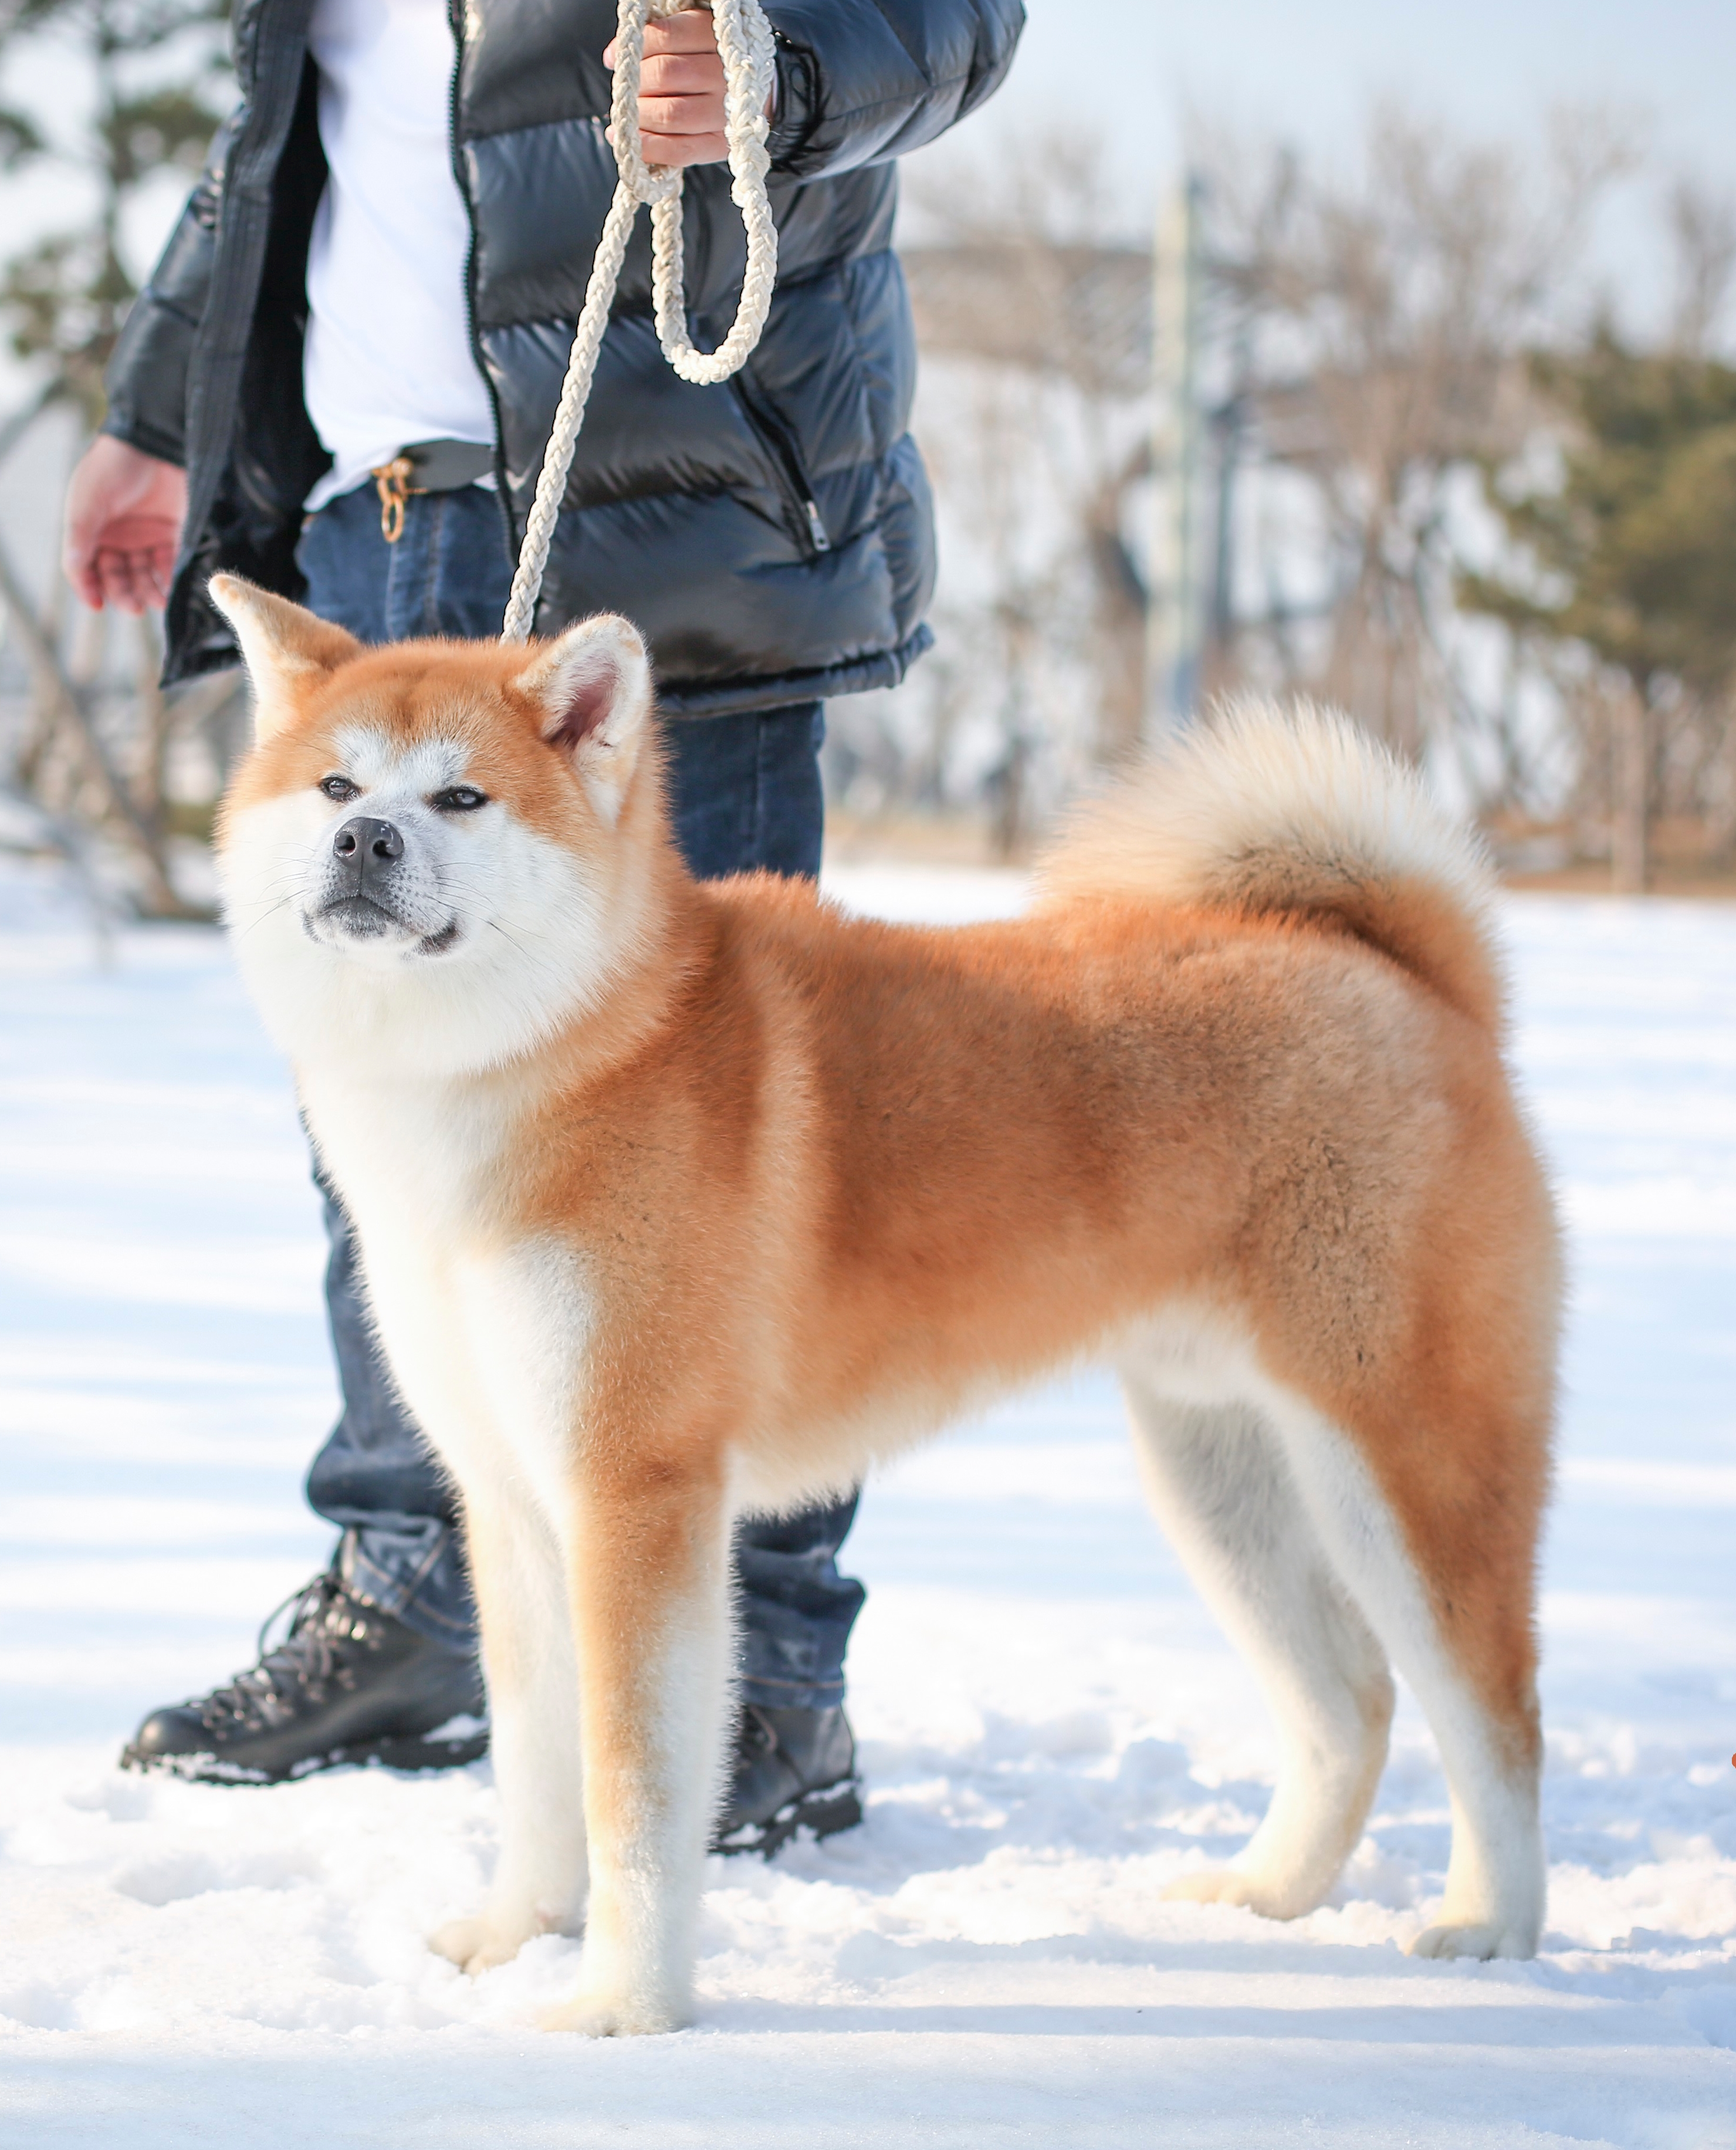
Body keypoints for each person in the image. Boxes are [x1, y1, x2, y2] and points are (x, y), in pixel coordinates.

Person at [63, 0, 1024, 1845]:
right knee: (394, 1109)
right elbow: (288, 122)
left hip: (665, 501)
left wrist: (784, 74)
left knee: (717, 1130)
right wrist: (156, 407)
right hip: (367, 506)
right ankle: (424, 1589)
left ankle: (765, 1676)